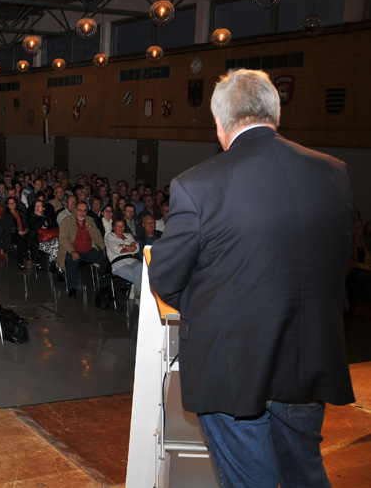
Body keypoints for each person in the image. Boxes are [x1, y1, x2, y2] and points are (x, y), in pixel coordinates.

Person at [149, 69, 355, 487]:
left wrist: (212, 303)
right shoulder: (335, 172)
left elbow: (166, 276)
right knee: (304, 474)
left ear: (220, 123)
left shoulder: (197, 184)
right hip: (307, 357)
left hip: (232, 367)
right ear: (276, 113)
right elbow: (339, 261)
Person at [57, 201, 107, 297]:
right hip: (72, 250)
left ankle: (104, 283)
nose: (82, 213)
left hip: (88, 251)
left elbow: (97, 235)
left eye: (84, 210)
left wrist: (103, 247)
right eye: (80, 210)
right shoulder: (67, 221)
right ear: (75, 210)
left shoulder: (90, 220)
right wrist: (72, 251)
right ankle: (72, 288)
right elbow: (63, 238)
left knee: (104, 258)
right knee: (72, 259)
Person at [104, 219, 142, 293]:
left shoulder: (129, 235)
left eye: (122, 226)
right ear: (114, 227)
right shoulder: (110, 236)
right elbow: (117, 250)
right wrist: (131, 247)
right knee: (141, 279)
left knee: (140, 266)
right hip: (119, 263)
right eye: (118, 226)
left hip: (133, 260)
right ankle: (139, 298)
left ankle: (138, 293)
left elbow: (137, 249)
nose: (120, 228)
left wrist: (123, 245)